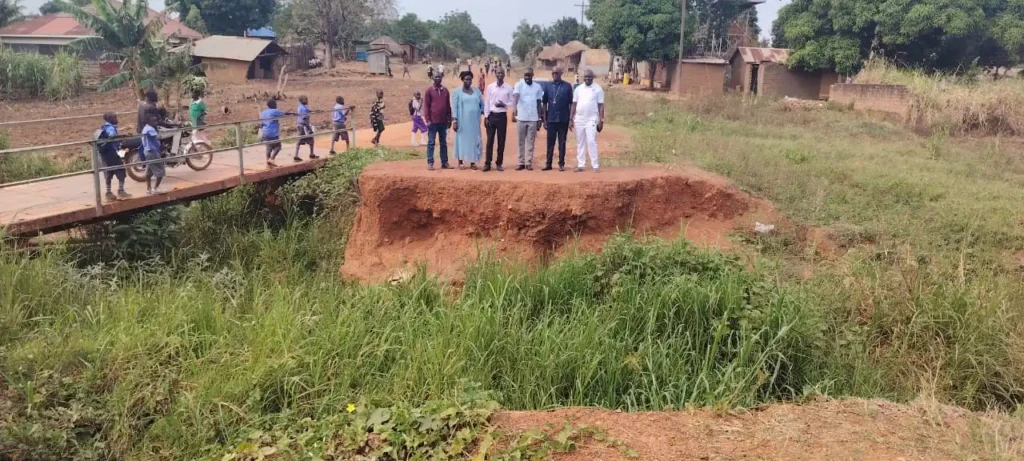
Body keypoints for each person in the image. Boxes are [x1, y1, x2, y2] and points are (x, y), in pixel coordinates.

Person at [570, 69, 605, 173]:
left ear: (592, 77)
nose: (587, 79)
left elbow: (601, 105)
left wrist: (601, 120)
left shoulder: (598, 89)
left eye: (589, 77)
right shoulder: (578, 89)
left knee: (591, 141)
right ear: (583, 78)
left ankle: (595, 165)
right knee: (580, 142)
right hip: (579, 119)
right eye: (586, 77)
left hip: (591, 119)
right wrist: (570, 118)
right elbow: (574, 104)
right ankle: (581, 165)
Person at [511, 67, 544, 170]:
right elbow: (516, 97)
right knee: (521, 141)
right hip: (521, 117)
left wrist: (539, 118)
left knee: (530, 141)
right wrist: (514, 108)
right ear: (523, 76)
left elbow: (539, 103)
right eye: (525, 75)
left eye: (529, 75)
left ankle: (528, 162)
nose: (527, 77)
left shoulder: (538, 87)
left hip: (533, 118)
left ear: (532, 75)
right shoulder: (519, 85)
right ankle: (521, 162)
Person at [542, 66, 573, 171]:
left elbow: (571, 104)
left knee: (562, 143)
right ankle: (548, 164)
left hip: (563, 119)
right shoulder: (548, 86)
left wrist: (570, 120)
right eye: (553, 73)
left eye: (557, 73)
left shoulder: (567, 86)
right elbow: (544, 103)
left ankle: (561, 164)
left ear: (561, 74)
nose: (555, 75)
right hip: (551, 119)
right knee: (550, 143)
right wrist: (544, 119)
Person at [452, 70, 484, 170]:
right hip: (462, 120)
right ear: (462, 80)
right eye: (466, 79)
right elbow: (455, 107)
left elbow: (482, 103)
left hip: (474, 121)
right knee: (461, 140)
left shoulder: (476, 91)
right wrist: (455, 120)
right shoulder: (457, 92)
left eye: (470, 79)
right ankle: (460, 161)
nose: (468, 81)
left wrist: (484, 112)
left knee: (474, 140)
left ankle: (473, 162)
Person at [96, 112, 130, 200]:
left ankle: (108, 192)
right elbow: (112, 136)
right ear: (110, 119)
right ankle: (121, 190)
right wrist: (123, 136)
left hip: (105, 153)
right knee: (121, 170)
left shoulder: (103, 126)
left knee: (109, 172)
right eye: (115, 118)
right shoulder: (110, 127)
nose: (117, 119)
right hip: (112, 153)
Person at [483, 68, 512, 172]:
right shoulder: (490, 87)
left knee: (501, 140)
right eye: (498, 73)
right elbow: (487, 102)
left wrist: (504, 104)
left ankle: (499, 163)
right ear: (495, 74)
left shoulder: (508, 88)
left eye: (501, 73)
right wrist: (486, 117)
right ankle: (487, 163)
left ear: (504, 74)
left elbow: (512, 102)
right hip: (492, 115)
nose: (500, 74)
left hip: (502, 116)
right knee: (490, 141)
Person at [422, 73, 452, 170]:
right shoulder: (429, 91)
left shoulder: (445, 91)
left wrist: (449, 119)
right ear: (433, 78)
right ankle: (430, 162)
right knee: (431, 142)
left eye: (439, 77)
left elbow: (448, 106)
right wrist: (427, 120)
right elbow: (426, 106)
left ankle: (444, 162)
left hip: (443, 121)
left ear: (442, 78)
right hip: (433, 122)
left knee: (443, 142)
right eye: (436, 77)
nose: (438, 78)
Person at [141, 113, 166, 194]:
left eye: (156, 121)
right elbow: (156, 138)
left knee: (149, 170)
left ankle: (148, 188)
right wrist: (161, 145)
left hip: (147, 152)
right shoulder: (151, 129)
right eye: (154, 121)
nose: (156, 123)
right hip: (152, 151)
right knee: (160, 170)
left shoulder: (145, 128)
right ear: (148, 121)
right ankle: (156, 188)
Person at [259, 98, 287, 167]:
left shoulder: (263, 112)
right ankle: (271, 159)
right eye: (276, 104)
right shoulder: (274, 111)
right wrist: (293, 113)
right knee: (278, 146)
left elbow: (261, 124)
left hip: (265, 132)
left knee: (269, 148)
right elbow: (284, 114)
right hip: (273, 133)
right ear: (274, 105)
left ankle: (268, 163)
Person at [294, 95, 318, 161]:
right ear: (302, 101)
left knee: (300, 140)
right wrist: (309, 128)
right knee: (310, 139)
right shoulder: (304, 108)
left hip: (300, 125)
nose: (307, 101)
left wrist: (314, 111)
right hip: (304, 126)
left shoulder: (301, 107)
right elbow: (305, 119)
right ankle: (311, 154)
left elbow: (308, 110)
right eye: (306, 99)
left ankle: (296, 155)